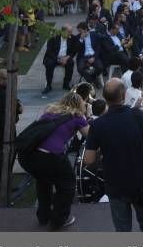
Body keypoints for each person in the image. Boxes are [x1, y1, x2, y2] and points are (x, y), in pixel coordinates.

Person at [84, 78, 143, 232]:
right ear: (124, 95)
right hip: (141, 181)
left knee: (123, 230)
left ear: (105, 98)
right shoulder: (137, 115)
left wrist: (105, 147)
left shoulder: (97, 125)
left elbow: (89, 159)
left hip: (115, 184)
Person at [18, 92, 89, 230]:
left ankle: (44, 216)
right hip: (52, 156)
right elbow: (89, 134)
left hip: (32, 156)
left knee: (43, 182)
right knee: (67, 185)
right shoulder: (77, 116)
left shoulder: (50, 112)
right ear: (79, 105)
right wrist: (86, 118)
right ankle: (59, 220)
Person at [42, 25, 80, 94]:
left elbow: (74, 51)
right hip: (54, 57)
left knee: (71, 63)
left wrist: (67, 58)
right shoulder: (54, 37)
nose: (70, 33)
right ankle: (48, 85)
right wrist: (58, 59)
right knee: (49, 64)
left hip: (65, 57)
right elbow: (49, 51)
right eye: (69, 32)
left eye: (71, 31)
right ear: (63, 31)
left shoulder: (73, 38)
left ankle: (66, 84)